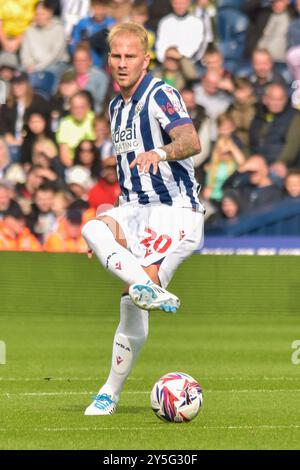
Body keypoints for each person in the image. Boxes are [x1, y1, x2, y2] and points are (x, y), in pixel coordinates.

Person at [81, 22, 205, 416]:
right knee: (91, 228)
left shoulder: (160, 94)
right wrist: (109, 228)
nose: (121, 63)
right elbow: (127, 176)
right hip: (135, 209)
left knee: (131, 303)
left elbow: (191, 141)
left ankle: (109, 393)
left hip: (175, 212)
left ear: (145, 59)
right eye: (115, 56)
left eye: (129, 56)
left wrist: (161, 153)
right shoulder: (116, 107)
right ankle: (143, 286)